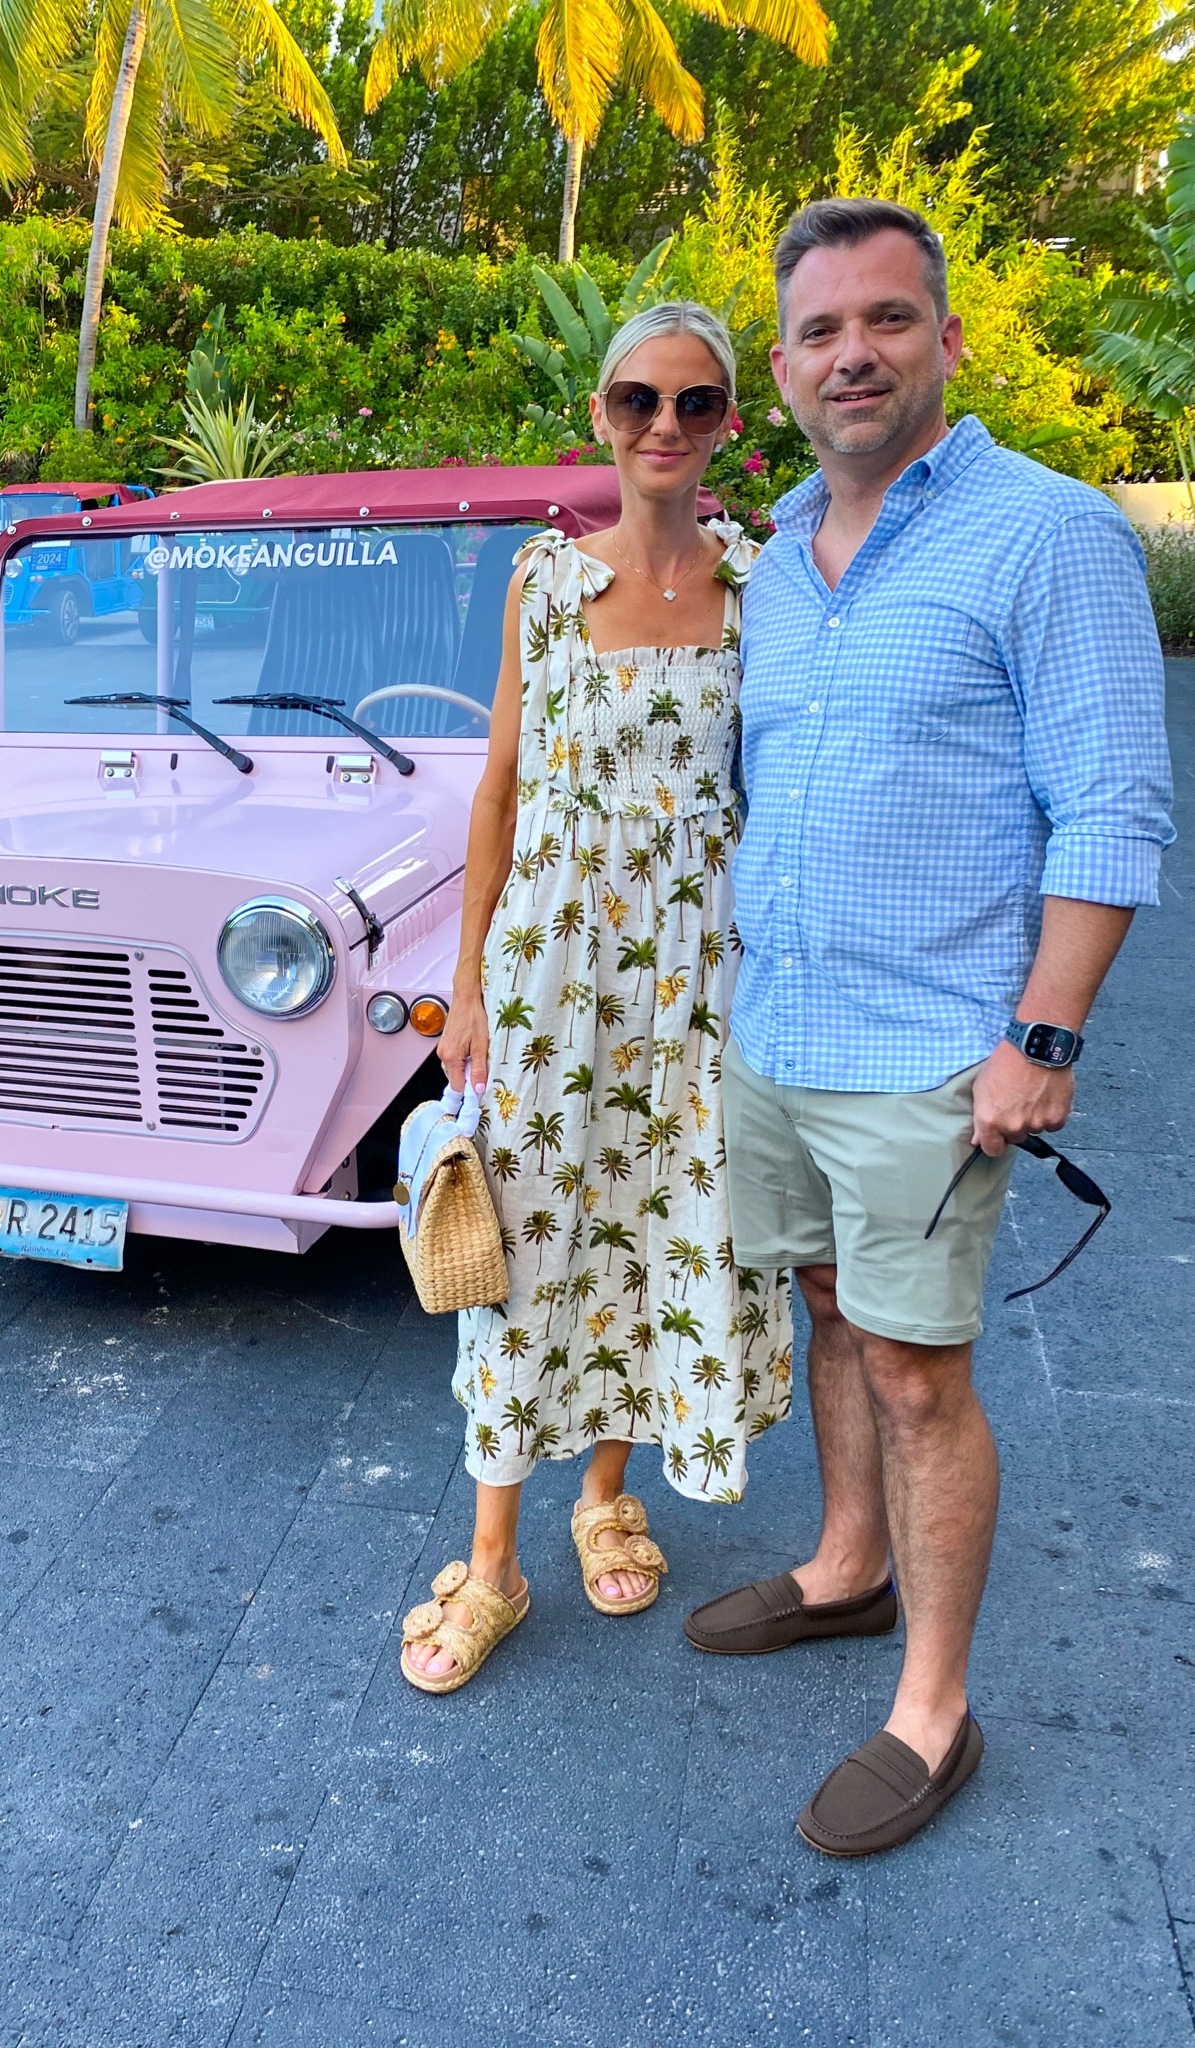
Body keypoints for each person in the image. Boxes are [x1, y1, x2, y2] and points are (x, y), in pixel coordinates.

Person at [684, 198, 1175, 1853]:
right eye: (821, 332)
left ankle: (935, 1708)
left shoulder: (1049, 535)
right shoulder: (776, 556)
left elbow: (1112, 809)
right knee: (831, 1311)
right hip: (785, 1028)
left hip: (932, 1053)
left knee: (916, 1372)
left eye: (888, 320)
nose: (855, 355)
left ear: (948, 337)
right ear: (784, 365)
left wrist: (1042, 1041)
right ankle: (845, 1568)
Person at [401, 302, 794, 1696]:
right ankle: (494, 1558)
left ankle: (602, 1496)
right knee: (522, 1248)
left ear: (731, 424)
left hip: (700, 977)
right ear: (602, 414)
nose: (667, 428)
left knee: (666, 1229)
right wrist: (466, 989)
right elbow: (498, 788)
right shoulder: (545, 582)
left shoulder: (763, 583)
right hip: (555, 971)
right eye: (641, 400)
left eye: (697, 404)